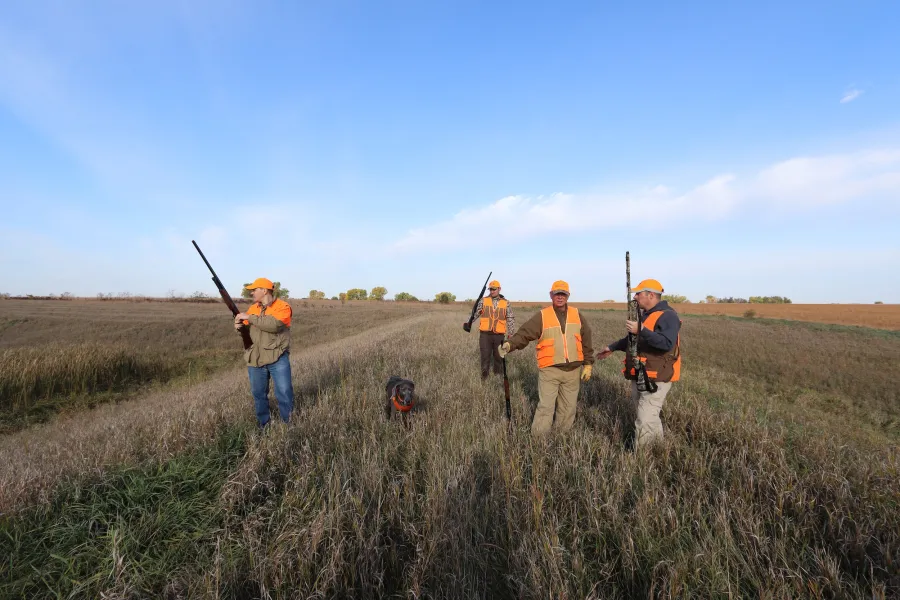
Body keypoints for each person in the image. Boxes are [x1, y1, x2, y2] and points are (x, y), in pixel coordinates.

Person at [498, 280, 594, 436]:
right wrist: (509, 345)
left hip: (573, 371)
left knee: (568, 408)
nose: (560, 297)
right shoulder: (543, 316)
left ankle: (561, 438)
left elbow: (587, 339)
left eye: (563, 294)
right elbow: (524, 334)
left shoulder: (577, 315)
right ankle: (538, 441)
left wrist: (588, 364)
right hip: (550, 370)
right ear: (551, 295)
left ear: (568, 296)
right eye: (557, 294)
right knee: (546, 407)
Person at [596, 278, 681, 448]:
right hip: (643, 373)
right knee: (648, 416)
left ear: (650, 295)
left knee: (644, 418)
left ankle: (642, 458)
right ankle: (656, 447)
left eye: (639, 293)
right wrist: (612, 347)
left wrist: (641, 330)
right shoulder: (646, 315)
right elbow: (634, 339)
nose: (635, 297)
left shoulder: (668, 315)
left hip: (657, 376)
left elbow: (666, 343)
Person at [234, 278, 295, 428]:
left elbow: (275, 325)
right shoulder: (253, 308)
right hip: (256, 358)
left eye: (255, 289)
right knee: (259, 395)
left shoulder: (283, 307)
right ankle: (264, 425)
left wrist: (249, 317)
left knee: (284, 392)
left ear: (265, 290)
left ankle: (288, 424)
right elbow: (247, 332)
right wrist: (238, 327)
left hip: (277, 356)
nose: (252, 292)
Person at [467, 280, 517, 379]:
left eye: (494, 289)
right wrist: (469, 322)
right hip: (485, 334)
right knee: (485, 356)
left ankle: (497, 376)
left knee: (499, 357)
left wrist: (511, 333)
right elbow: (476, 313)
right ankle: (484, 376)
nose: (492, 291)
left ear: (499, 289)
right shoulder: (483, 300)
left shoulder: (506, 302)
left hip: (499, 335)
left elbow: (510, 317)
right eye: (490, 289)